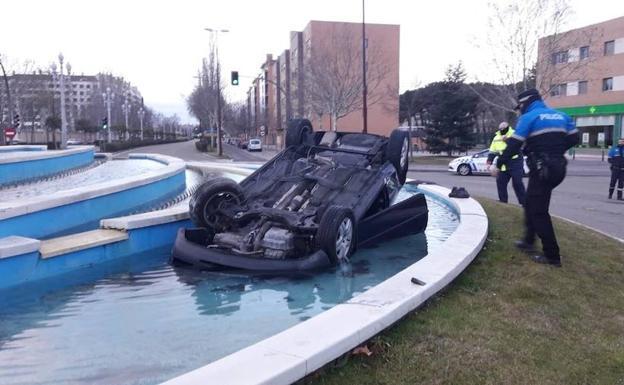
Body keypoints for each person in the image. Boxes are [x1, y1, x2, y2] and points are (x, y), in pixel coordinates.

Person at [494, 89, 579, 267]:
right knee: (530, 204)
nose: (519, 110)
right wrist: (554, 151)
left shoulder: (529, 117)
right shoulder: (561, 115)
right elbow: (574, 138)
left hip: (542, 170)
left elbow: (514, 146)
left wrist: (498, 164)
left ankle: (552, 256)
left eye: (520, 107)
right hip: (558, 168)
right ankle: (528, 241)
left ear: (525, 103)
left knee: (538, 211)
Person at [487, 121, 526, 205]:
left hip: (515, 162)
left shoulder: (514, 134)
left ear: (508, 127)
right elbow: (492, 151)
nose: (502, 130)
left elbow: (518, 146)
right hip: (503, 163)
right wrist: (489, 163)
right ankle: (503, 202)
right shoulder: (496, 137)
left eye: (503, 128)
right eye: (500, 129)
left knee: (517, 183)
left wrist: (507, 140)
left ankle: (524, 203)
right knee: (500, 182)